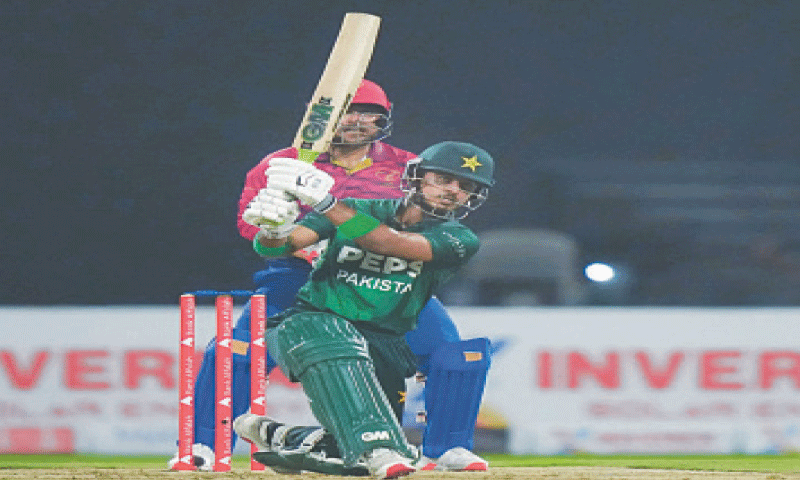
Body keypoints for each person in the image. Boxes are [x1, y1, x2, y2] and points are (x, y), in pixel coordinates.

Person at [168, 80, 490, 472]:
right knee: (235, 352)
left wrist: (339, 222)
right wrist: (278, 230)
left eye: (368, 114)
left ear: (383, 121)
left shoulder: (409, 166)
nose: (356, 121)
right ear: (319, 116)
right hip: (298, 277)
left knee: (455, 355)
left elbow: (416, 230)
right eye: (346, 110)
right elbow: (253, 226)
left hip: (390, 280)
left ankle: (447, 448)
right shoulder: (280, 164)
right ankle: (203, 446)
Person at [233, 140, 495, 479]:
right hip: (309, 326)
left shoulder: (459, 239)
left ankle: (278, 434)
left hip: (384, 347)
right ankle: (380, 448)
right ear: (416, 177)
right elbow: (280, 246)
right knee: (373, 437)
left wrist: (326, 202)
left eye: (465, 187)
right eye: (443, 179)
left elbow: (388, 243)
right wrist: (273, 228)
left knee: (349, 443)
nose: (453, 191)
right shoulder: (359, 208)